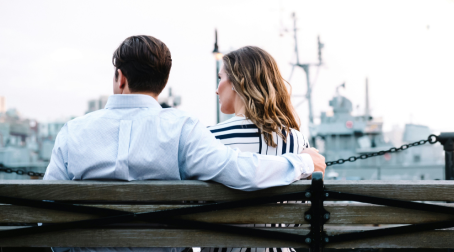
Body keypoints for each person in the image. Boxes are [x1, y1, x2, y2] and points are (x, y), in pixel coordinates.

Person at [43, 35, 326, 252]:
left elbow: (45, 212)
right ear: (163, 83)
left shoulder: (73, 131)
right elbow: (239, 170)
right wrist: (302, 162)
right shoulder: (182, 129)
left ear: (120, 77)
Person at [204, 46, 314, 252]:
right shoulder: (297, 142)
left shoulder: (210, 138)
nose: (217, 89)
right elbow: (299, 220)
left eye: (220, 78)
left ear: (238, 82)